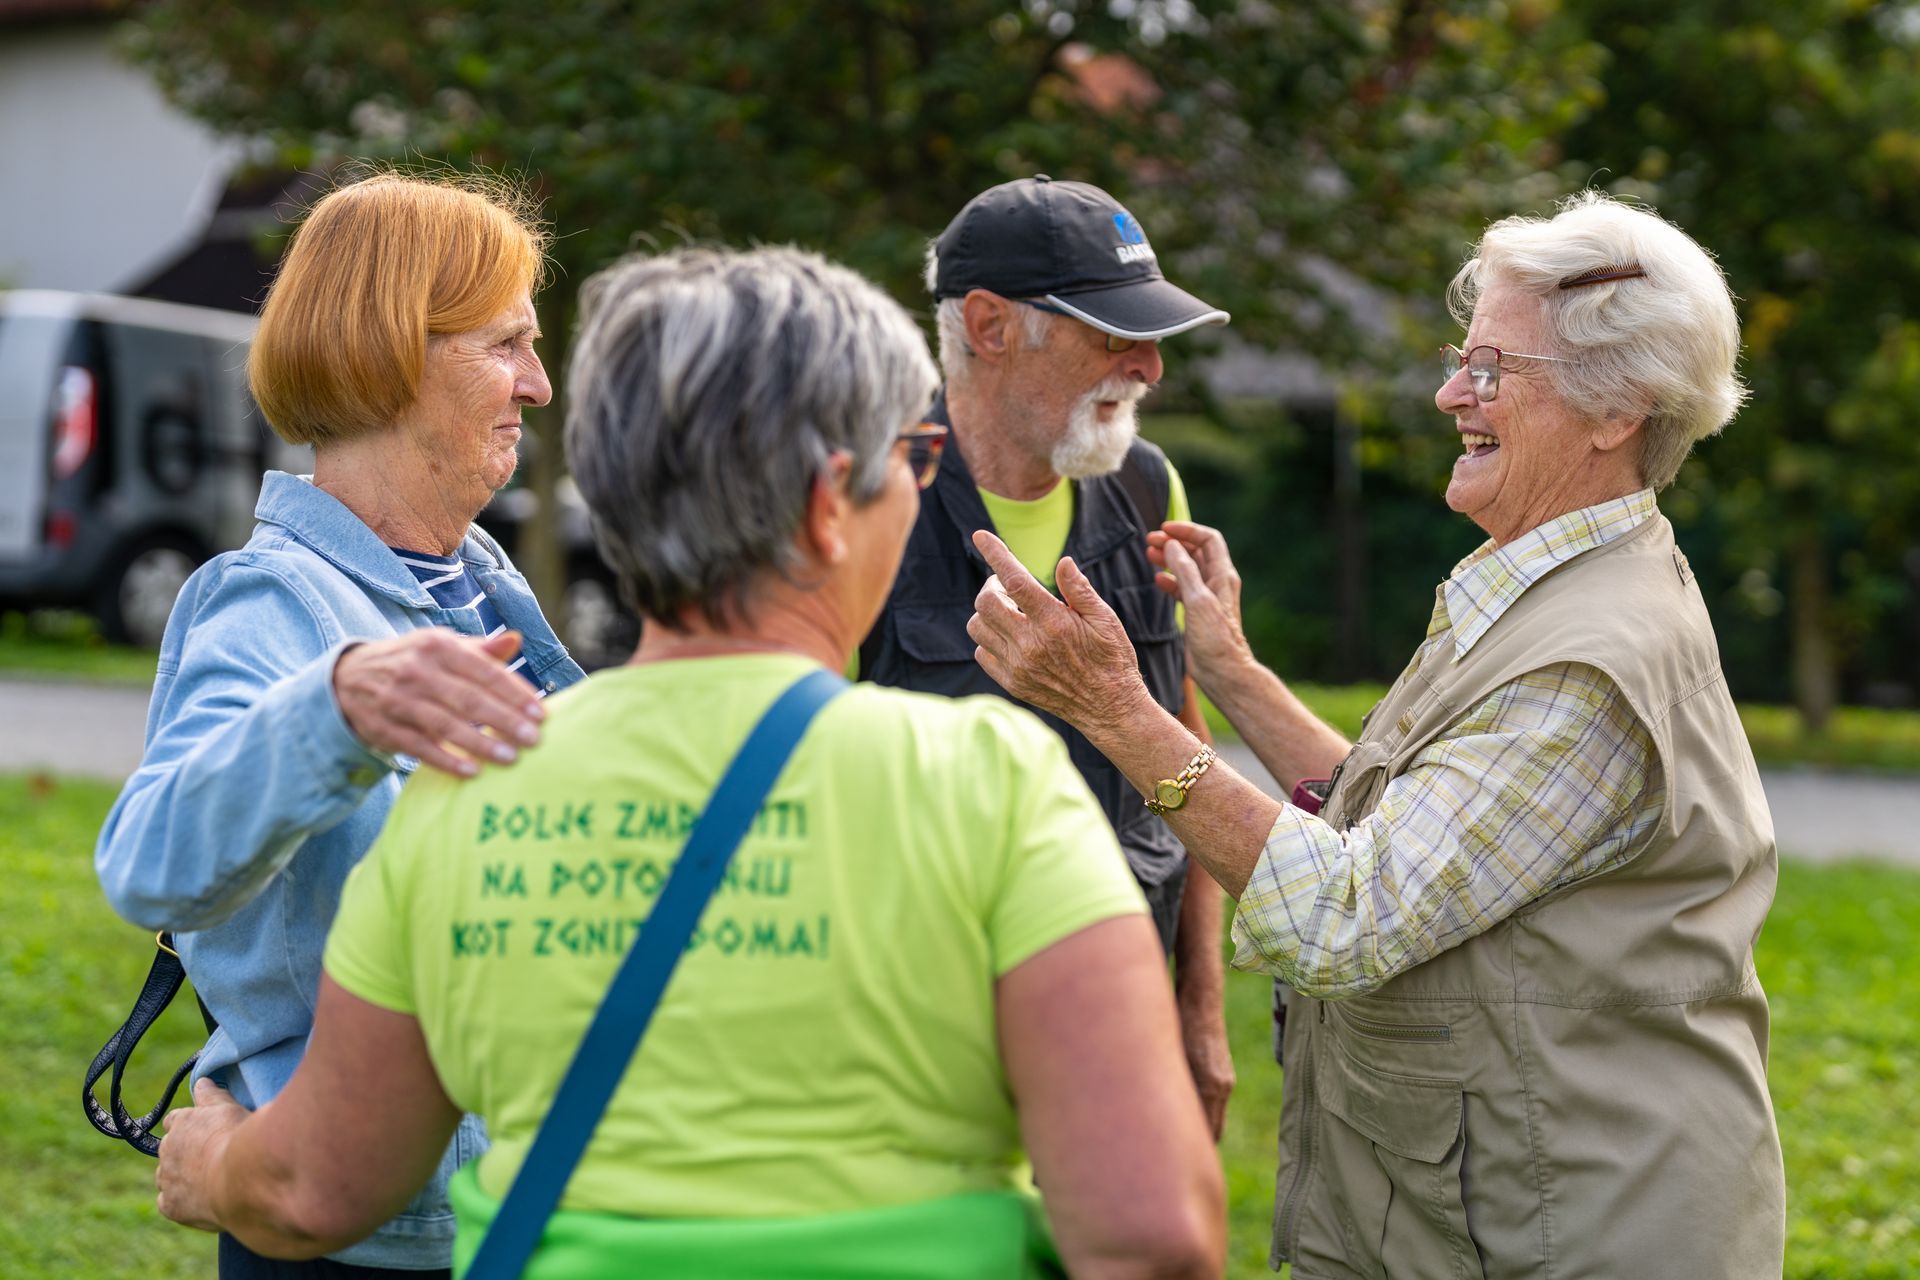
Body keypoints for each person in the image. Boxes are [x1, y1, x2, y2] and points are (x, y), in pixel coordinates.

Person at [153, 245, 1225, 1278]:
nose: (919, 489)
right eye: (915, 457)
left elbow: (318, 1187)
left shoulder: (463, 786)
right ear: (828, 507)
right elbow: (1152, 1234)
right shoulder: (991, 783)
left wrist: (215, 1165)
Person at [966, 191, 1785, 1279]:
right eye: (1461, 359)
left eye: (1491, 368)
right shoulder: (1554, 584)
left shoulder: (1587, 664)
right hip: (1504, 1212)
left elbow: (1346, 913)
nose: (1450, 393)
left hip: (1566, 1235)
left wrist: (1117, 711)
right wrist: (1232, 672)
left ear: (1616, 411)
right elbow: (1415, 825)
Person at [96, 170, 585, 1277]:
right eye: (505, 344)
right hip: (357, 1235)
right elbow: (150, 864)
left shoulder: (485, 585)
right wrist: (337, 707)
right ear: (390, 351)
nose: (539, 382)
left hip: (509, 1210)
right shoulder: (268, 602)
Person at [859, 176, 1236, 1135]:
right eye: (1116, 335)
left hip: (1126, 1019)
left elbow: (1183, 747)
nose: (1151, 367)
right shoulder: (862, 501)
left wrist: (1200, 1009)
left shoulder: (1148, 486)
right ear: (989, 326)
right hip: (922, 1046)